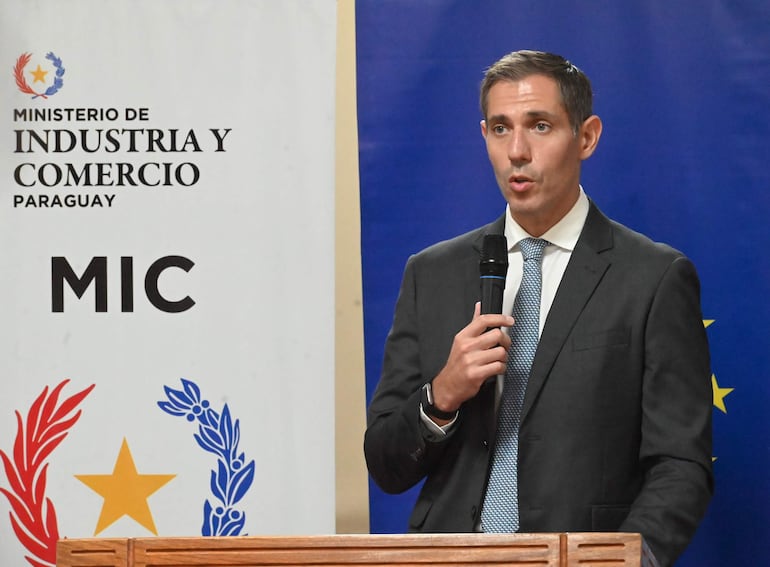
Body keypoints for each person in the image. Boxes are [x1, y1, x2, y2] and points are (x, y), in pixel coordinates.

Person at [363, 50, 713, 567]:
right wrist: (441, 396)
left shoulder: (654, 277)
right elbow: (387, 466)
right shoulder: (431, 273)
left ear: (587, 136)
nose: (517, 151)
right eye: (500, 129)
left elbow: (681, 463)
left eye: (540, 126)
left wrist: (619, 560)